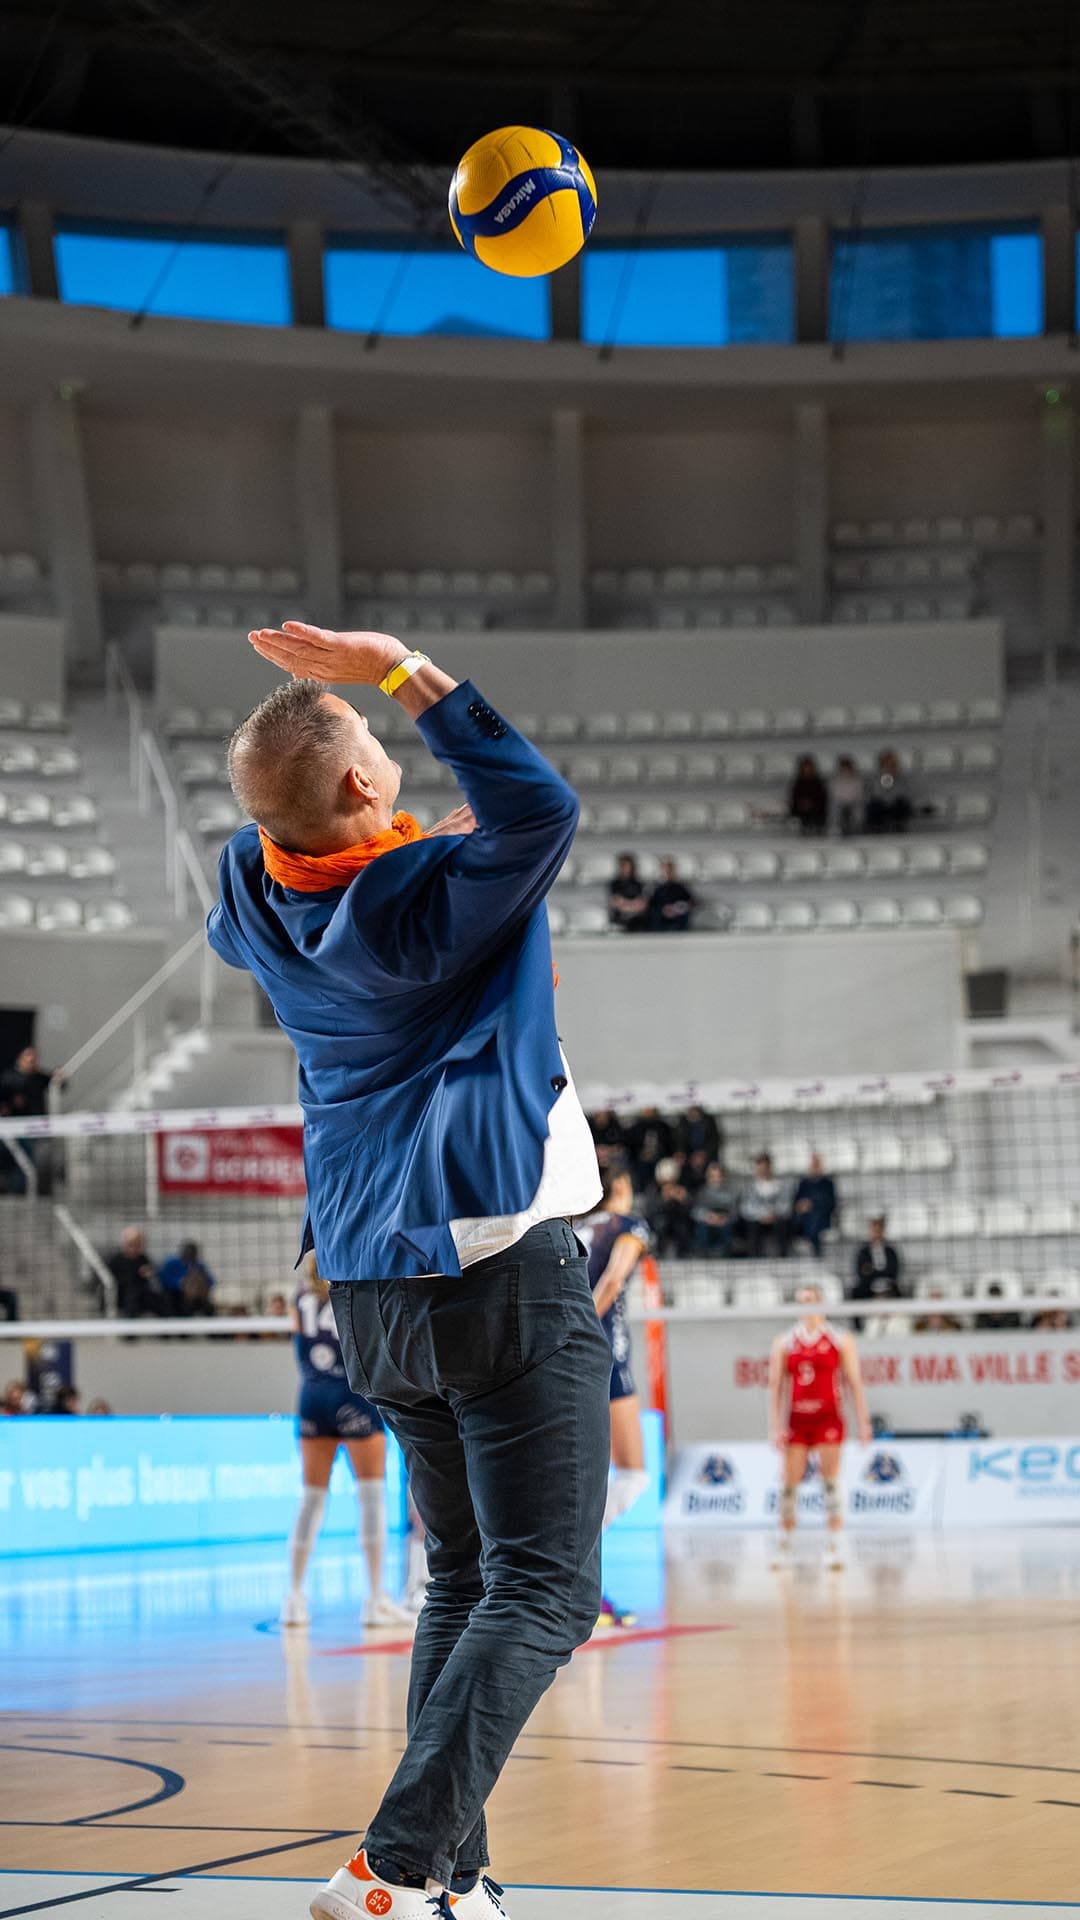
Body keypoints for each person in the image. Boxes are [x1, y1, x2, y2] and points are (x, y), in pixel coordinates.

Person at [208, 619, 611, 1920]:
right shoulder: (432, 897)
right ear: (364, 788)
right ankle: (395, 1863)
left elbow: (285, 830)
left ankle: (457, 1879)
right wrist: (394, 667)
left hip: (370, 1278)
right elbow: (538, 804)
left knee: (462, 1578)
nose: (386, 741)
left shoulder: (252, 891)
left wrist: (387, 823)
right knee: (548, 1587)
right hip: (494, 1257)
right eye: (377, 748)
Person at [283, 1254, 412, 1631]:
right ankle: (374, 1599)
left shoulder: (299, 1299)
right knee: (370, 1496)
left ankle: (293, 1598)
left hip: (310, 1396)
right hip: (351, 1394)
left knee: (311, 1499)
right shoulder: (352, 1287)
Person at [577, 1163, 653, 1628]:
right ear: (621, 1186)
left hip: (572, 1361)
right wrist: (580, 1329)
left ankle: (586, 1590)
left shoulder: (571, 1224)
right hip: (603, 1357)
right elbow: (613, 1280)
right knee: (632, 1475)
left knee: (587, 1477)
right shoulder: (627, 1225)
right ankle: (576, 1573)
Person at [768, 1281, 872, 1571]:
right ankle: (784, 1544)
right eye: (801, 1300)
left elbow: (854, 1382)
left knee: (830, 1482)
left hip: (828, 1418)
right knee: (789, 1484)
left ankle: (835, 1544)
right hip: (797, 1420)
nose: (806, 1306)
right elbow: (776, 1386)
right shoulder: (785, 1341)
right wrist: (774, 1426)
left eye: (810, 1299)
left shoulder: (839, 1338)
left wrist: (864, 1421)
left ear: (821, 1303)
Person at [852, 1213, 904, 1329]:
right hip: (869, 1287)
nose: (876, 1233)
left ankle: (898, 1327)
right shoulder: (863, 1252)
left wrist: (872, 1271)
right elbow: (861, 1272)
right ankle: (858, 1328)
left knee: (900, 1293)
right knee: (855, 1292)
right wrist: (876, 1274)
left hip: (888, 1286)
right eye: (873, 1230)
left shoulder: (890, 1251)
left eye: (879, 1230)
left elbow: (893, 1271)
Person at [741, 1152, 795, 1258]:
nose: (763, 1170)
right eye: (760, 1167)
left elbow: (786, 1205)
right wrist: (761, 1215)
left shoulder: (781, 1185)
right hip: (757, 1219)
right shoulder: (749, 1187)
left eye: (765, 1167)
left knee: (783, 1225)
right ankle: (754, 1257)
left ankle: (782, 1256)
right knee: (752, 1227)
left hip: (777, 1218)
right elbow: (745, 1207)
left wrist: (774, 1214)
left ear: (770, 1167)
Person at [105, 1226, 159, 1318]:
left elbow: (150, 1277)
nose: (134, 1249)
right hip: (122, 1295)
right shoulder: (115, 1260)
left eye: (137, 1245)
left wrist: (148, 1274)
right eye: (131, 1244)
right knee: (131, 1298)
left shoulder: (143, 1259)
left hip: (141, 1294)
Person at [647, 1156, 694, 1258]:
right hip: (660, 1221)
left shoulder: (681, 1187)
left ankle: (683, 1254)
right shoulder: (653, 1189)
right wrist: (663, 1200)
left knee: (683, 1228)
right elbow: (650, 1210)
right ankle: (659, 1253)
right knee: (661, 1226)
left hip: (677, 1221)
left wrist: (684, 1200)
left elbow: (690, 1208)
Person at [793, 1152, 837, 1259]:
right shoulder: (803, 1183)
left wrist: (812, 1204)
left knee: (814, 1221)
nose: (815, 1167)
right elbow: (796, 1201)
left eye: (817, 1164)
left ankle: (815, 1250)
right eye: (813, 1165)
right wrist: (801, 1206)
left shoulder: (828, 1183)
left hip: (822, 1216)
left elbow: (831, 1202)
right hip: (804, 1217)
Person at [690, 1161, 740, 1257]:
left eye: (719, 1176)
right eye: (713, 1176)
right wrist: (708, 1217)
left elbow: (735, 1211)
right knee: (702, 1230)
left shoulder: (731, 1192)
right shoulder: (702, 1192)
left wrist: (725, 1218)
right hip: (707, 1222)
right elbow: (695, 1211)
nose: (717, 1179)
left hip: (725, 1222)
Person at [157, 1239, 215, 1318]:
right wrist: (181, 1283)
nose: (190, 1254)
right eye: (188, 1252)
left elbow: (211, 1282)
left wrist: (200, 1284)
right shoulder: (172, 1263)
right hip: (175, 1295)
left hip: (195, 1298)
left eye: (193, 1253)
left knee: (208, 1308)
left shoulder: (198, 1265)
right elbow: (163, 1279)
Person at [865, 748, 913, 834]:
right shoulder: (876, 778)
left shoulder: (902, 778)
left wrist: (895, 778)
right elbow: (875, 794)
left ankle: (898, 828)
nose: (889, 767)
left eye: (892, 764)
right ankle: (877, 829)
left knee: (901, 805)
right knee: (874, 806)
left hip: (896, 807)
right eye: (886, 764)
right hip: (881, 806)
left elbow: (905, 795)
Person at [647, 856, 696, 931]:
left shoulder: (680, 888)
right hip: (660, 920)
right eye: (665, 870)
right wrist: (663, 910)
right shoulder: (656, 888)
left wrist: (675, 909)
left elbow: (690, 903)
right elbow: (651, 905)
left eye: (670, 870)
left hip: (677, 918)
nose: (668, 873)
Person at [608, 852, 649, 932]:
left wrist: (626, 904)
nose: (624, 868)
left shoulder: (639, 884)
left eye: (626, 865)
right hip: (619, 920)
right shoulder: (615, 884)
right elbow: (616, 903)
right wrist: (632, 905)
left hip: (637, 920)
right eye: (622, 865)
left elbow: (642, 905)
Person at [788, 755, 828, 835]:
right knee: (804, 811)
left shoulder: (818, 781)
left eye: (808, 767)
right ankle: (805, 828)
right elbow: (795, 796)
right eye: (805, 768)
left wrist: (813, 803)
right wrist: (802, 803)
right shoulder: (798, 781)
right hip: (802, 806)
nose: (807, 770)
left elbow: (822, 796)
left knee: (816, 812)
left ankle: (817, 828)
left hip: (817, 806)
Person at [830, 755, 864, 836]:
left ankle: (856, 829)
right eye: (843, 768)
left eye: (847, 768)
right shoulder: (836, 780)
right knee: (834, 806)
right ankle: (836, 828)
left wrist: (850, 801)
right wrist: (844, 801)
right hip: (840, 803)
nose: (846, 771)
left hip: (853, 802)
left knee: (858, 807)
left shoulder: (857, 780)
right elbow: (835, 795)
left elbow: (859, 794)